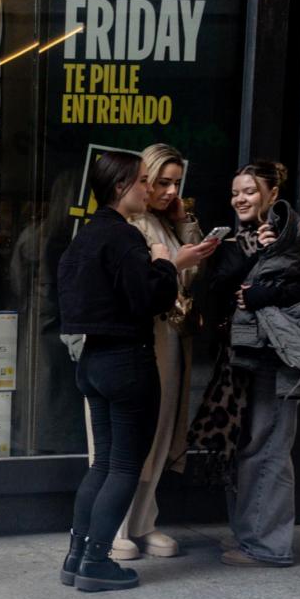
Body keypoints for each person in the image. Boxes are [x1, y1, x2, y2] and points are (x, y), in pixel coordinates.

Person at [56, 151, 214, 593]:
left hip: (93, 361)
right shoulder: (125, 238)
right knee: (125, 466)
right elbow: (150, 298)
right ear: (121, 186)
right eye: (144, 181)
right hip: (127, 360)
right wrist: (165, 262)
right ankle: (96, 561)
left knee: (102, 464)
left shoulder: (84, 238)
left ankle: (76, 557)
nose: (151, 189)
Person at [196, 160, 300, 567]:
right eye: (236, 191)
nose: (240, 198)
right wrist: (250, 251)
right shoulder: (235, 241)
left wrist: (267, 292)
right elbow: (218, 288)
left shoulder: (298, 234)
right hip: (240, 357)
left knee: (270, 447)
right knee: (248, 445)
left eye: (250, 191)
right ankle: (252, 536)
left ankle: (269, 546)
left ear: (273, 194)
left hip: (277, 356)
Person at [111, 144, 210, 561]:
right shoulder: (125, 225)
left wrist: (183, 224)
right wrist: (177, 262)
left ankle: (143, 521)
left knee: (162, 429)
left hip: (170, 338)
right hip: (138, 339)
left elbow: (194, 271)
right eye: (163, 182)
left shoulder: (162, 221)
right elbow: (139, 285)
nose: (171, 191)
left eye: (177, 183)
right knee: (128, 434)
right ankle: (115, 525)